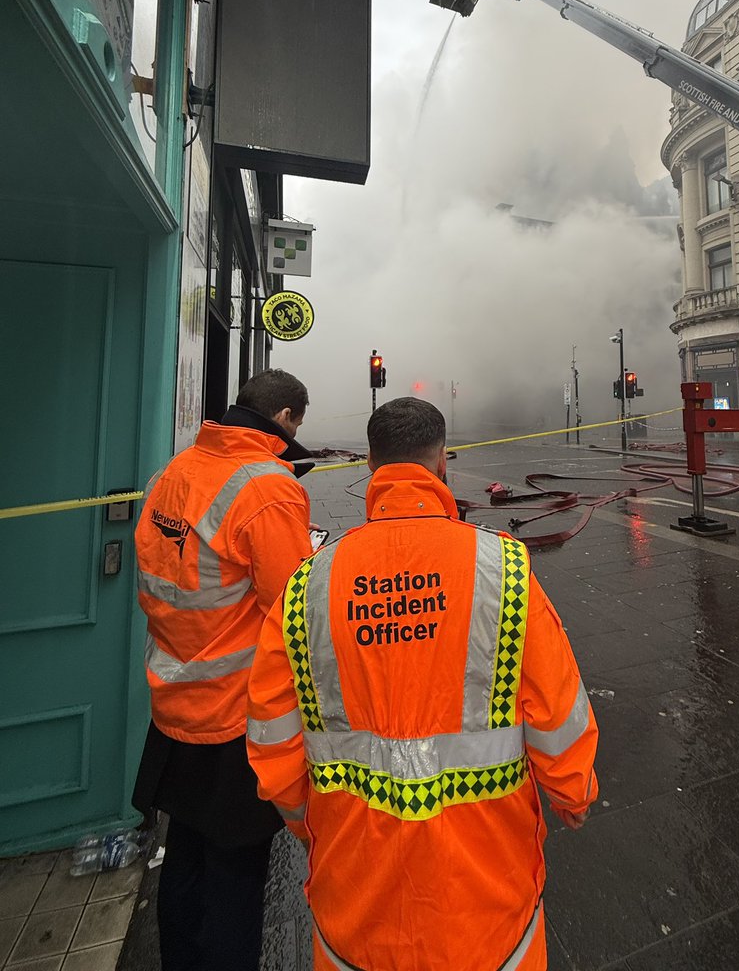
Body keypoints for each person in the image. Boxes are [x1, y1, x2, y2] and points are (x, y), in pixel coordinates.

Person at [247, 396, 598, 971]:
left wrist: (307, 824)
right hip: (486, 905)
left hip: (354, 902)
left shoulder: (308, 585)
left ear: (368, 464)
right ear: (443, 465)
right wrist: (573, 792)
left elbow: (271, 737)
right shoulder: (503, 570)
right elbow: (557, 710)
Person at [132, 368, 316, 971]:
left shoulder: (177, 470)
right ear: (286, 418)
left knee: (184, 856)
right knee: (236, 874)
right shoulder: (267, 486)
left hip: (173, 700)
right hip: (235, 713)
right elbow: (292, 605)